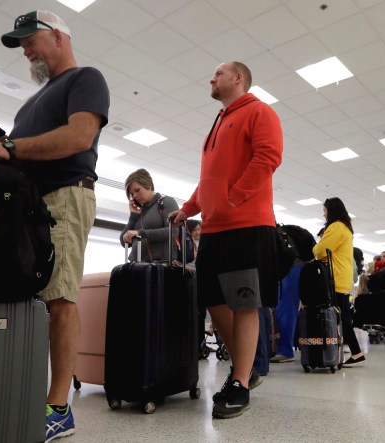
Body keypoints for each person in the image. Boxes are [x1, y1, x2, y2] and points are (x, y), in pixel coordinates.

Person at [0, 10, 109, 442]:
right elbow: (22, 152)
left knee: (59, 297)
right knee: (30, 298)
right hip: (27, 205)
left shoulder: (86, 79)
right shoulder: (33, 101)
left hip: (65, 197)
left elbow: (78, 138)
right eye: (19, 43)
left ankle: (58, 408)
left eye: (30, 39)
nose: (24, 49)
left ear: (59, 36)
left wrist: (7, 145)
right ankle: (29, 395)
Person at [169, 61, 282, 419]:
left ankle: (241, 383)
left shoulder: (259, 111)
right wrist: (188, 209)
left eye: (218, 73)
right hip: (215, 229)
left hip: (246, 225)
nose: (211, 78)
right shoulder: (219, 122)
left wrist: (234, 197)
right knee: (215, 304)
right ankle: (245, 369)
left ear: (238, 78)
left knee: (243, 304)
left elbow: (268, 157)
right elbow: (209, 180)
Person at [312, 197, 364, 367]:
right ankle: (355, 352)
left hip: (336, 279)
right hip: (343, 277)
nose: (324, 214)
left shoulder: (336, 227)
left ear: (331, 210)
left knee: (341, 318)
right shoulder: (345, 228)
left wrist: (314, 247)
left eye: (325, 210)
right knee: (343, 317)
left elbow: (320, 251)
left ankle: (355, 353)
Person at [120, 169, 179, 262]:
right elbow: (124, 242)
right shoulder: (139, 211)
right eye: (132, 193)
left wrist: (140, 233)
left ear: (149, 185)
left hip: (161, 265)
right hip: (137, 266)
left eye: (137, 190)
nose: (134, 196)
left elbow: (173, 231)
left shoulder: (167, 202)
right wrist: (133, 216)